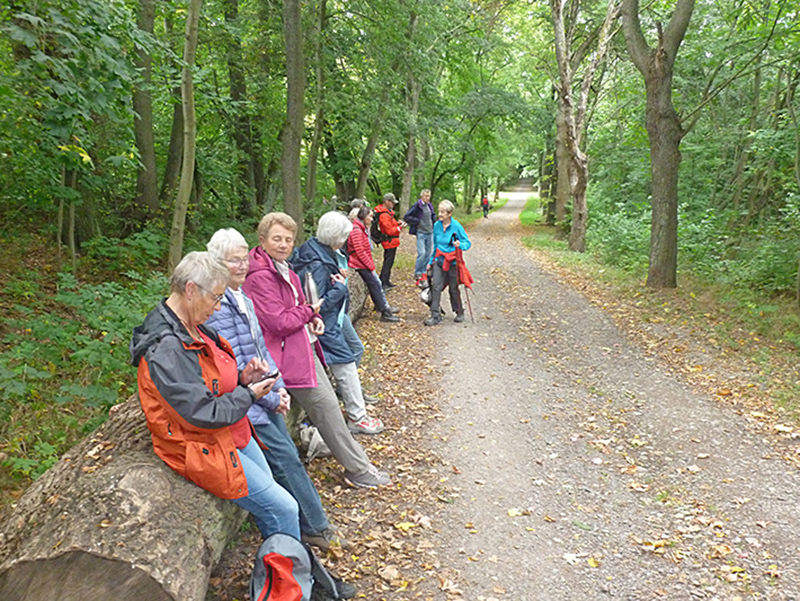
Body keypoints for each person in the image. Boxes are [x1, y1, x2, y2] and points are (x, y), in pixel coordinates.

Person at [130, 251, 300, 540]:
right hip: (201, 446)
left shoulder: (192, 325)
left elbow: (210, 382)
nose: (218, 308)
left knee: (274, 501)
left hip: (231, 432)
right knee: (285, 508)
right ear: (191, 290)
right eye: (217, 298)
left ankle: (279, 565)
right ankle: (288, 580)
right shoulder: (167, 348)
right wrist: (248, 394)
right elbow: (200, 413)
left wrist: (243, 378)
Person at [204, 228, 349, 551]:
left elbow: (262, 350)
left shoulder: (242, 297)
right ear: (216, 264)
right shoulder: (217, 307)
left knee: (286, 459)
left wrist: (279, 389)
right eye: (233, 261)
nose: (241, 266)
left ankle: (298, 526)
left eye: (243, 259)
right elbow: (237, 364)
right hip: (245, 404)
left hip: (264, 395)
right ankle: (314, 527)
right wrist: (270, 397)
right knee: (284, 460)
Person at [242, 212, 391, 489]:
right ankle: (358, 469)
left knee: (330, 406)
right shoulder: (260, 276)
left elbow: (300, 303)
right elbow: (279, 321)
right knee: (327, 407)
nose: (284, 244)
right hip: (283, 357)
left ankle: (353, 461)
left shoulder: (283, 267)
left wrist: (313, 318)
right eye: (277, 239)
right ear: (262, 240)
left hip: (301, 347)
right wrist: (310, 311)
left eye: (288, 239)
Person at [292, 212, 385, 435]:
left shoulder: (315, 251)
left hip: (331, 322)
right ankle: (357, 417)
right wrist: (341, 287)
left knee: (349, 358)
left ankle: (352, 410)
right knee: (345, 364)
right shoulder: (316, 262)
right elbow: (316, 305)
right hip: (324, 325)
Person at [347, 204, 399, 323]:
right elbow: (360, 252)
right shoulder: (356, 231)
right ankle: (385, 312)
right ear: (363, 217)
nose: (372, 219)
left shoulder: (361, 229)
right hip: (359, 265)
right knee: (376, 284)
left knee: (376, 284)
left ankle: (384, 308)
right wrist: (369, 266)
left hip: (362, 264)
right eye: (370, 216)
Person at [423, 200, 472, 326]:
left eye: (443, 212)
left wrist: (460, 244)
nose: (440, 214)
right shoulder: (437, 226)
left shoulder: (456, 226)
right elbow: (436, 245)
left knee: (453, 289)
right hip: (439, 261)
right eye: (439, 211)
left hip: (453, 262)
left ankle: (459, 311)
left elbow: (467, 243)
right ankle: (435, 315)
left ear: (449, 213)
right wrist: (430, 261)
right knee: (436, 287)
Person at [403, 188, 436, 280]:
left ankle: (423, 271)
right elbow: (407, 216)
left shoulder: (430, 205)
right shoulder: (417, 205)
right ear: (422, 196)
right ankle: (417, 272)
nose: (427, 198)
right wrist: (417, 222)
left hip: (430, 232)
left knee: (428, 253)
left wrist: (435, 222)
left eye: (429, 196)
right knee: (422, 252)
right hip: (421, 232)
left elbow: (432, 215)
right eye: (426, 196)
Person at [374, 192, 402, 291]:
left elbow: (390, 225)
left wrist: (397, 223)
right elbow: (388, 230)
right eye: (392, 202)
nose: (393, 204)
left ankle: (386, 281)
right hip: (389, 242)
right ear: (386, 202)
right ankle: (383, 282)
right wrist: (399, 228)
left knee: (389, 262)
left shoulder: (388, 213)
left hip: (392, 242)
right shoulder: (384, 215)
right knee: (387, 262)